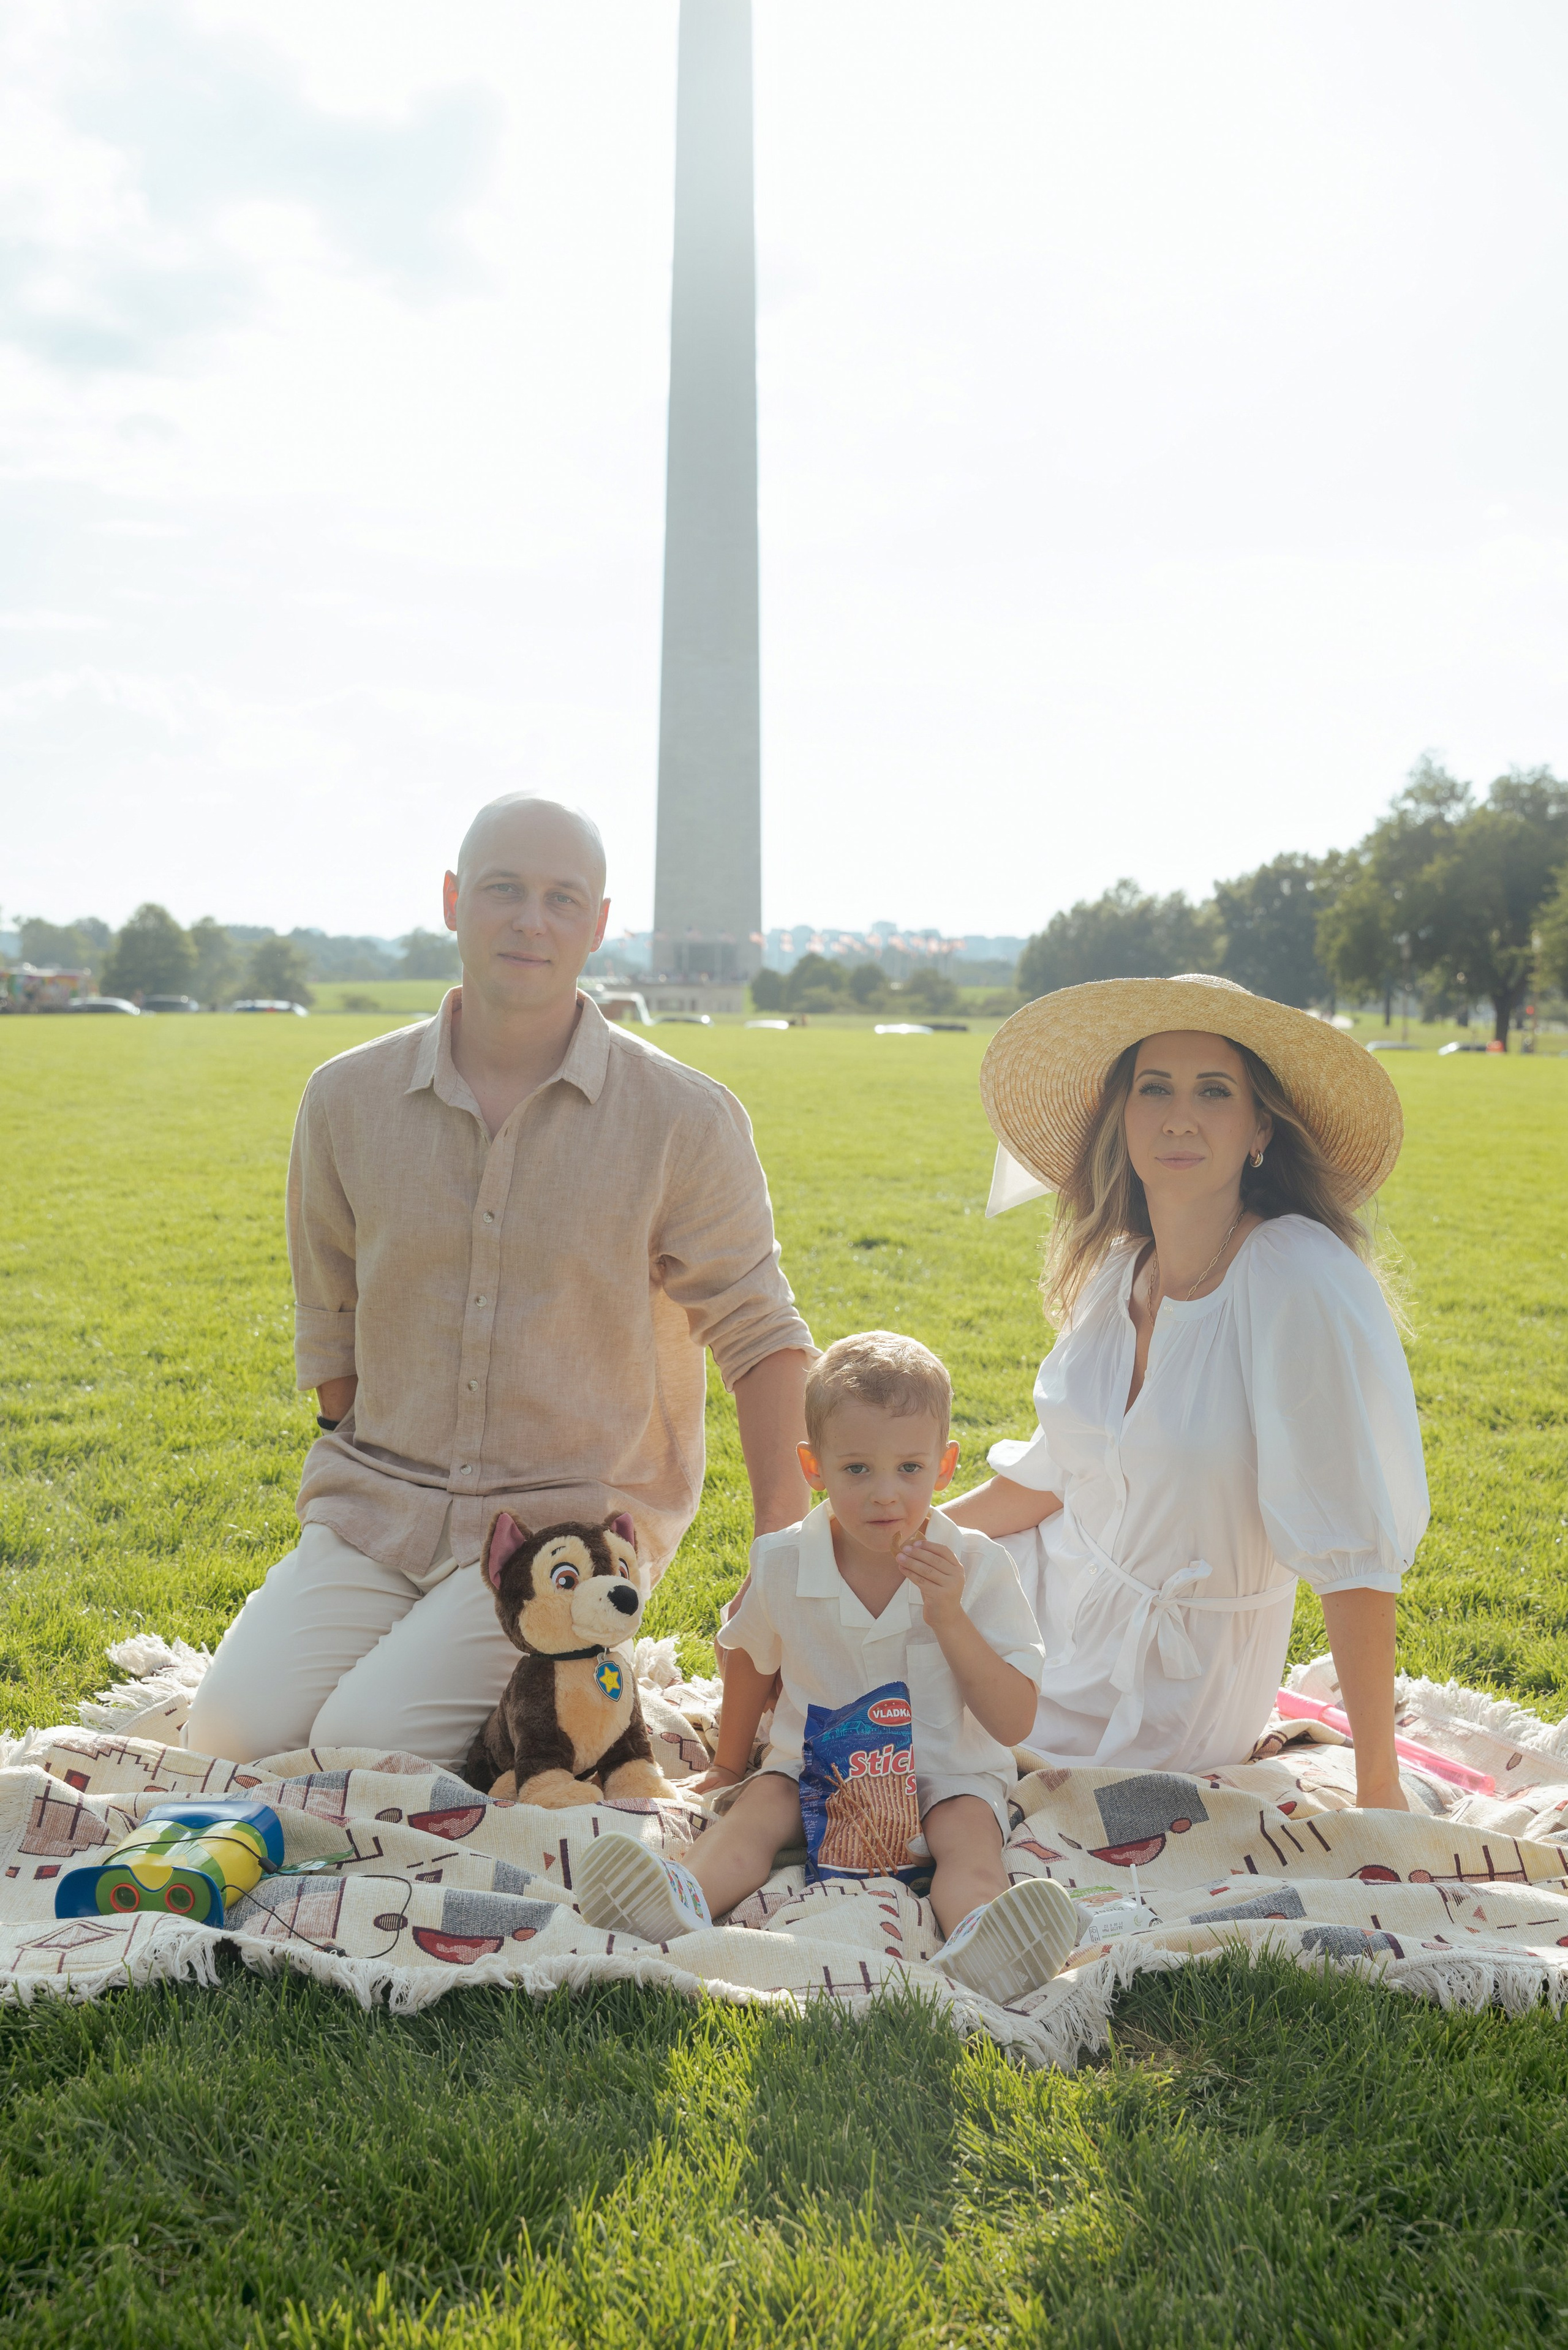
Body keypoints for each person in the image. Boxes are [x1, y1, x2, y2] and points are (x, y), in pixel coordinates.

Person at [186, 794, 815, 1769]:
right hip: (382, 1506)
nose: (532, 920)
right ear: (452, 900)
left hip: (565, 1533)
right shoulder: (346, 1098)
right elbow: (331, 1312)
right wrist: (367, 1454)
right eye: (503, 890)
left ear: (599, 924)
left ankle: (582, 1670)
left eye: (563, 899)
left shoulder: (683, 1119)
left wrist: (781, 1548)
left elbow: (762, 1334)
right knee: (227, 1732)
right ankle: (520, 1679)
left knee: (366, 1744)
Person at [944, 971, 1428, 1809]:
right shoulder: (1117, 1271)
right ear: (1122, 1115)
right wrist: (881, 1537)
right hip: (1050, 1611)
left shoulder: (1295, 1276)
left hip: (1180, 1684)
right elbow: (1049, 1480)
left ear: (1259, 1127)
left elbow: (1351, 1544)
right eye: (1154, 1088)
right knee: (851, 1635)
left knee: (924, 1729)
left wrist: (1377, 1788)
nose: (1178, 1116)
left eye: (1213, 1091)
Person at [576, 1333, 1079, 2005]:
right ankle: (680, 1896)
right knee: (755, 1813)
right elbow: (750, 1660)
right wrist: (728, 1764)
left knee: (968, 1841)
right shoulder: (784, 1561)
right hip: (814, 1769)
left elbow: (1013, 1721)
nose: (884, 1495)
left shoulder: (979, 1566)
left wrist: (950, 1616)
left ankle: (985, 1936)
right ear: (814, 1468)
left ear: (945, 1466)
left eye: (909, 1468)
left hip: (944, 1772)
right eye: (857, 1469)